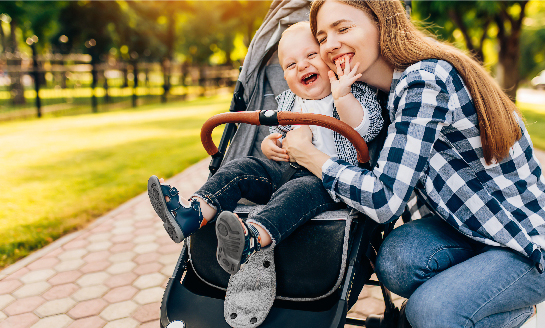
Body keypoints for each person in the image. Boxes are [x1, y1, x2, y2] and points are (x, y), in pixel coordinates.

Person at [281, 1, 545, 328]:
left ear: (381, 23)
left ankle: (517, 310)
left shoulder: (425, 81)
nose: (330, 44)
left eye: (343, 29)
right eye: (322, 36)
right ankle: (459, 300)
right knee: (395, 262)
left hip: (524, 244)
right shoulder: (378, 95)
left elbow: (384, 199)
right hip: (463, 228)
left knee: (431, 313)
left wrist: (309, 156)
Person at [147, 21, 383, 275]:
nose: (301, 65)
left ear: (331, 58)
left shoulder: (353, 90)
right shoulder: (290, 101)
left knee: (301, 188)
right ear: (285, 78)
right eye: (291, 65)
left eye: (311, 55)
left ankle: (252, 237)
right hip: (285, 173)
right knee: (241, 167)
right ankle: (192, 213)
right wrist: (270, 145)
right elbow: (278, 135)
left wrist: (342, 96)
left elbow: (366, 129)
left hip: (329, 184)